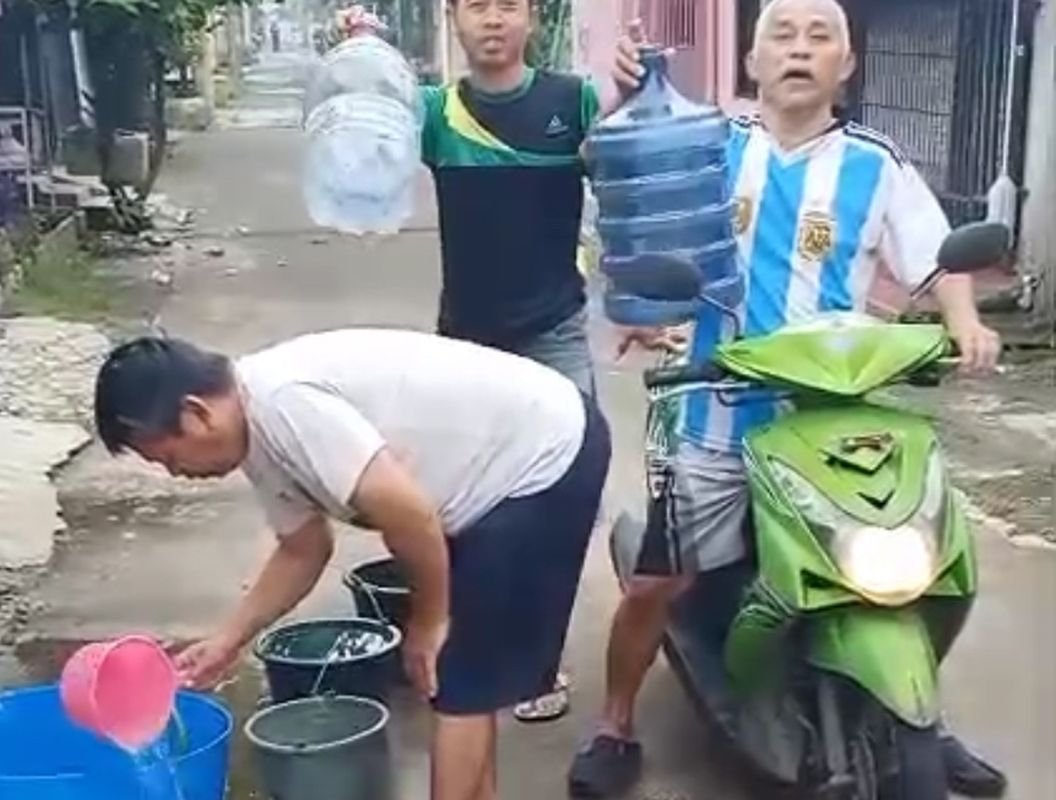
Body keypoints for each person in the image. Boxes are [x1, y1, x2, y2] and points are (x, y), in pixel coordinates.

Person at [568, 1, 1007, 797]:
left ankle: (918, 715)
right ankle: (615, 723)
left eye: (819, 36)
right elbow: (639, 205)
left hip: (829, 423)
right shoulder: (710, 144)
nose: (800, 49)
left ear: (848, 65)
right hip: (715, 412)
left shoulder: (876, 163)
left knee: (912, 570)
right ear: (752, 62)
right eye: (782, 33)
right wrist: (626, 102)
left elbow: (937, 260)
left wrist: (966, 323)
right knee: (658, 583)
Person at [93, 329, 610, 800]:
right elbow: (303, 549)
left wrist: (430, 620)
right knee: (465, 677)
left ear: (196, 413)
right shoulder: (255, 430)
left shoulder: (285, 405)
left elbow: (411, 516)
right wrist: (228, 640)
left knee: (459, 682)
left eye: (169, 457)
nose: (176, 474)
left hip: (540, 456)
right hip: (491, 472)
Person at [335, 0, 625, 721]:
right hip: (465, 342)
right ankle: (464, 643)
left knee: (558, 503)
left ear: (532, 18)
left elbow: (625, 184)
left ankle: (538, 663)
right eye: (476, 6)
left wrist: (630, 94)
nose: (492, 20)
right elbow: (367, 146)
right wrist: (362, 62)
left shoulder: (574, 101)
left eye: (508, 6)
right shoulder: (436, 113)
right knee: (460, 503)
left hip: (555, 329)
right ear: (455, 19)